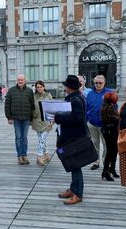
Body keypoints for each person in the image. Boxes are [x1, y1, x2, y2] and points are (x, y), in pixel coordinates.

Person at [55, 75, 87, 205]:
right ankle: (73, 189)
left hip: (74, 137)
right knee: (73, 164)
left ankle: (78, 193)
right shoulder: (75, 97)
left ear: (69, 87)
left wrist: (59, 118)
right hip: (72, 135)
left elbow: (77, 119)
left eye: (66, 86)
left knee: (75, 165)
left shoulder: (75, 100)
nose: (64, 88)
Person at [4, 74, 34, 165]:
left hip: (26, 118)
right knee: (18, 137)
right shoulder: (11, 91)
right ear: (17, 81)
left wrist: (31, 119)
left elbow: (32, 105)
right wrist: (9, 117)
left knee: (24, 138)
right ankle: (19, 156)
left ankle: (24, 155)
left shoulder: (29, 91)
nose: (20, 81)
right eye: (19, 80)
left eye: (22, 80)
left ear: (25, 81)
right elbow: (7, 104)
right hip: (16, 118)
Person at [86, 75, 112, 170]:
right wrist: (87, 119)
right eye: (96, 83)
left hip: (105, 124)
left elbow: (114, 108)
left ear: (104, 83)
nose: (98, 84)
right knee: (94, 143)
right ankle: (95, 162)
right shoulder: (90, 93)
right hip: (92, 123)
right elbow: (87, 107)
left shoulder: (109, 93)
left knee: (106, 144)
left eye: (100, 83)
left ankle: (106, 162)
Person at [31, 80, 53, 166]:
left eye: (41, 87)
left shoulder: (48, 95)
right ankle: (46, 154)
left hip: (46, 120)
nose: (39, 88)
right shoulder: (34, 96)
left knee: (43, 138)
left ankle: (39, 156)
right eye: (38, 87)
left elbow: (52, 108)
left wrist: (52, 119)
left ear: (44, 87)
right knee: (41, 139)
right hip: (37, 120)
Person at [100, 92, 120, 181]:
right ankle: (105, 171)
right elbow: (117, 119)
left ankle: (112, 169)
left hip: (108, 131)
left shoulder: (105, 106)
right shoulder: (111, 107)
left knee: (113, 151)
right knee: (111, 151)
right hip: (111, 132)